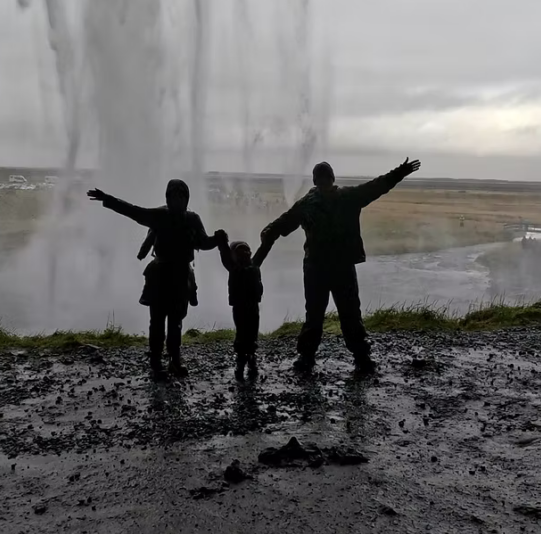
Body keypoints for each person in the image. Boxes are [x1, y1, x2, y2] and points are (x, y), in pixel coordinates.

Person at [261, 157, 422, 375]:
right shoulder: (317, 202)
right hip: (320, 267)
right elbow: (284, 222)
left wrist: (399, 172)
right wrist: (269, 230)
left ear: (328, 179)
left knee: (347, 312)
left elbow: (378, 186)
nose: (324, 181)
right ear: (318, 180)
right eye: (322, 178)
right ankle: (313, 356)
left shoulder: (342, 198)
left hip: (334, 266)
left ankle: (357, 355)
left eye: (325, 177)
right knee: (319, 313)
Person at [88, 180, 224, 379]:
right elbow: (134, 212)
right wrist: (108, 199)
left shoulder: (192, 219)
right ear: (167, 198)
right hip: (161, 276)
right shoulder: (161, 215)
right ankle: (156, 361)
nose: (178, 200)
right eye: (173, 196)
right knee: (158, 321)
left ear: (186, 199)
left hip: (179, 277)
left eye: (181, 196)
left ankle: (174, 359)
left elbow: (202, 243)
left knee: (176, 322)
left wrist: (216, 240)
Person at [214, 230, 274, 380]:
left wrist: (269, 240)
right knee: (241, 331)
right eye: (240, 251)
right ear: (234, 255)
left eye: (246, 250)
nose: (244, 253)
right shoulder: (234, 268)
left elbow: (263, 250)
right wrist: (222, 243)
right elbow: (225, 255)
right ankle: (241, 358)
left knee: (252, 331)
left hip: (252, 305)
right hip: (240, 306)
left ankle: (251, 355)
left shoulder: (254, 265)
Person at [137, 230, 198, 307]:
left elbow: (149, 240)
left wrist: (142, 254)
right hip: (181, 262)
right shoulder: (191, 219)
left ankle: (146, 293)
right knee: (190, 275)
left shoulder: (160, 220)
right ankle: (193, 295)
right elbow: (201, 241)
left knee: (150, 270)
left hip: (163, 260)